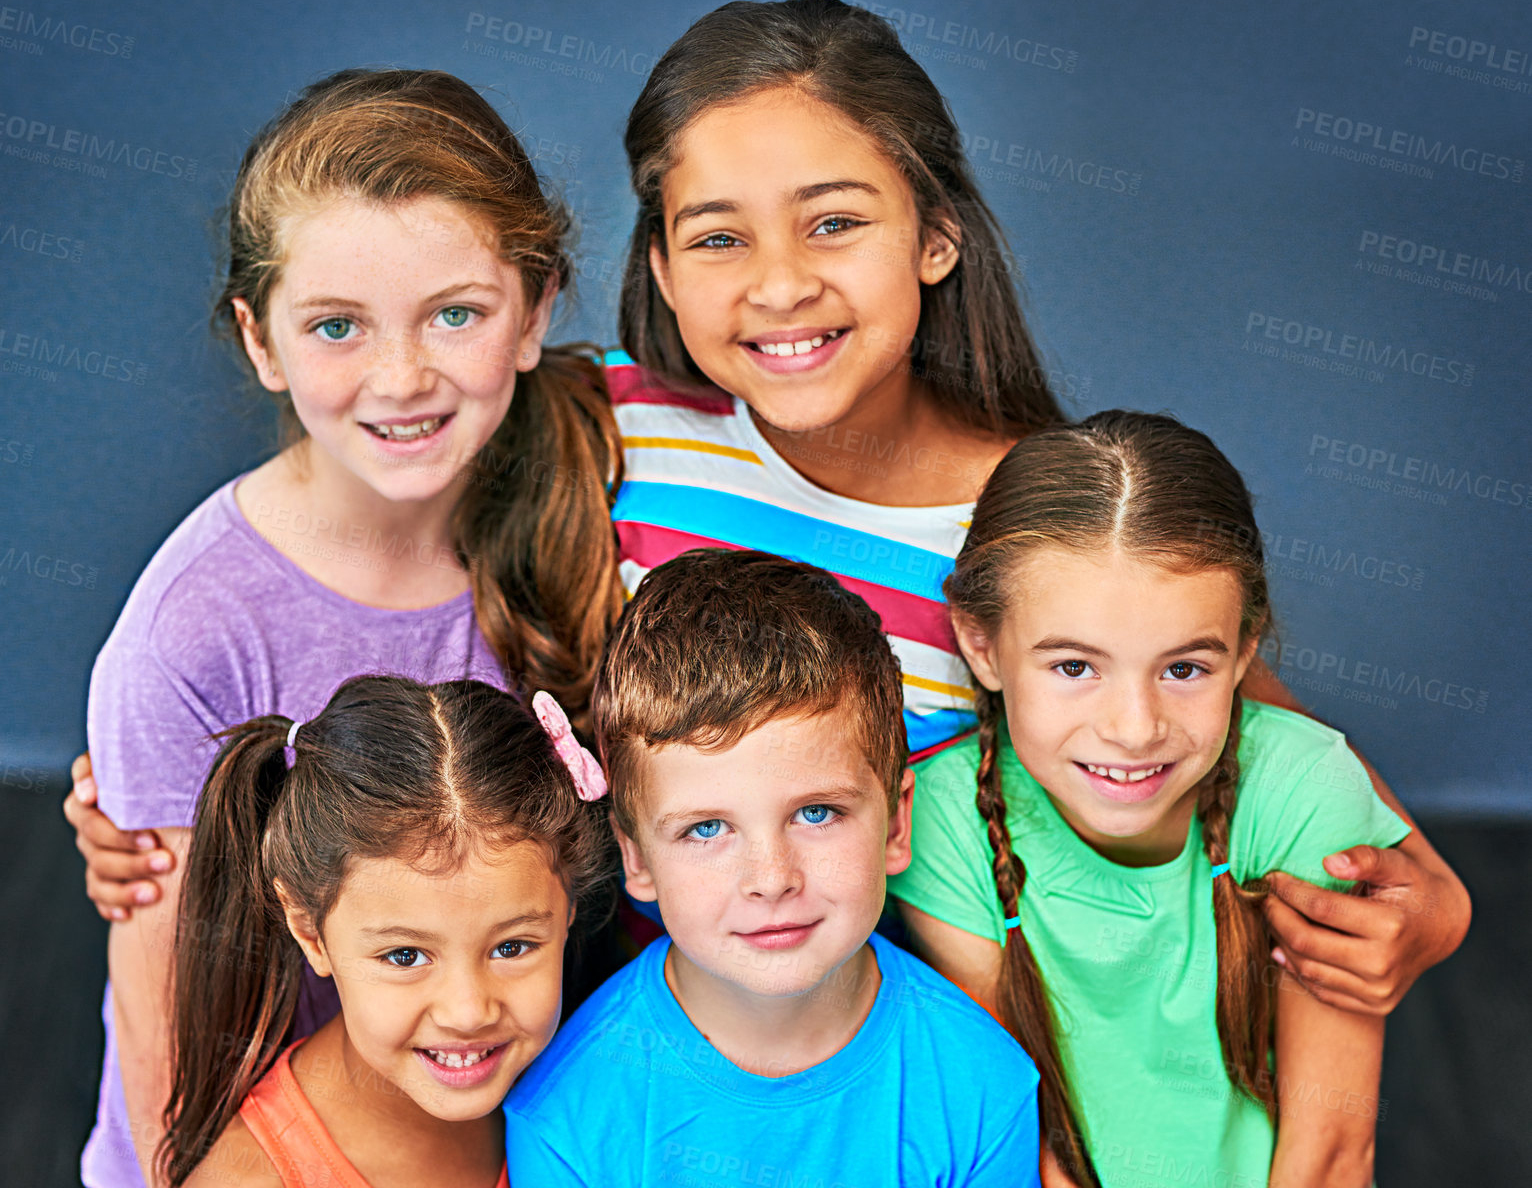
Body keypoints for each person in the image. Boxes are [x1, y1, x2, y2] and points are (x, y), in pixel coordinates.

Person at [604, 0, 1468, 1009]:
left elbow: (1239, 712)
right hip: (640, 1036)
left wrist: (1432, 901)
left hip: (928, 1057)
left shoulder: (1036, 519)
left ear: (936, 235)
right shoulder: (615, 426)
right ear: (660, 266)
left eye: (832, 222)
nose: (780, 284)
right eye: (716, 239)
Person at [70, 68, 622, 1187]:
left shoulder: (613, 475)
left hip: (525, 1132)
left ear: (536, 310)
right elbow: (170, 1043)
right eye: (336, 326)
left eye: (455, 313)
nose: (403, 375)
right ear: (261, 340)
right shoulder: (190, 636)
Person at [889, 411, 1411, 1187]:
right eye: (1073, 667)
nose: (1134, 730)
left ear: (1243, 652)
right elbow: (1025, 1143)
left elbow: (1331, 1149)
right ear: (981, 645)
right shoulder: (941, 820)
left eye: (1184, 669)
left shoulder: (1302, 787)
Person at [501, 550, 1042, 1185]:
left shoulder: (983, 1085)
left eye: (817, 813)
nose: (772, 877)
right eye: (706, 828)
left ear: (895, 825)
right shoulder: (566, 1111)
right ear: (635, 856)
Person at [159, 676, 611, 1187]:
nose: (467, 1012)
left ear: (568, 907)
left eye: (511, 947)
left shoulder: (614, 1087)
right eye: (404, 957)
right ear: (309, 931)